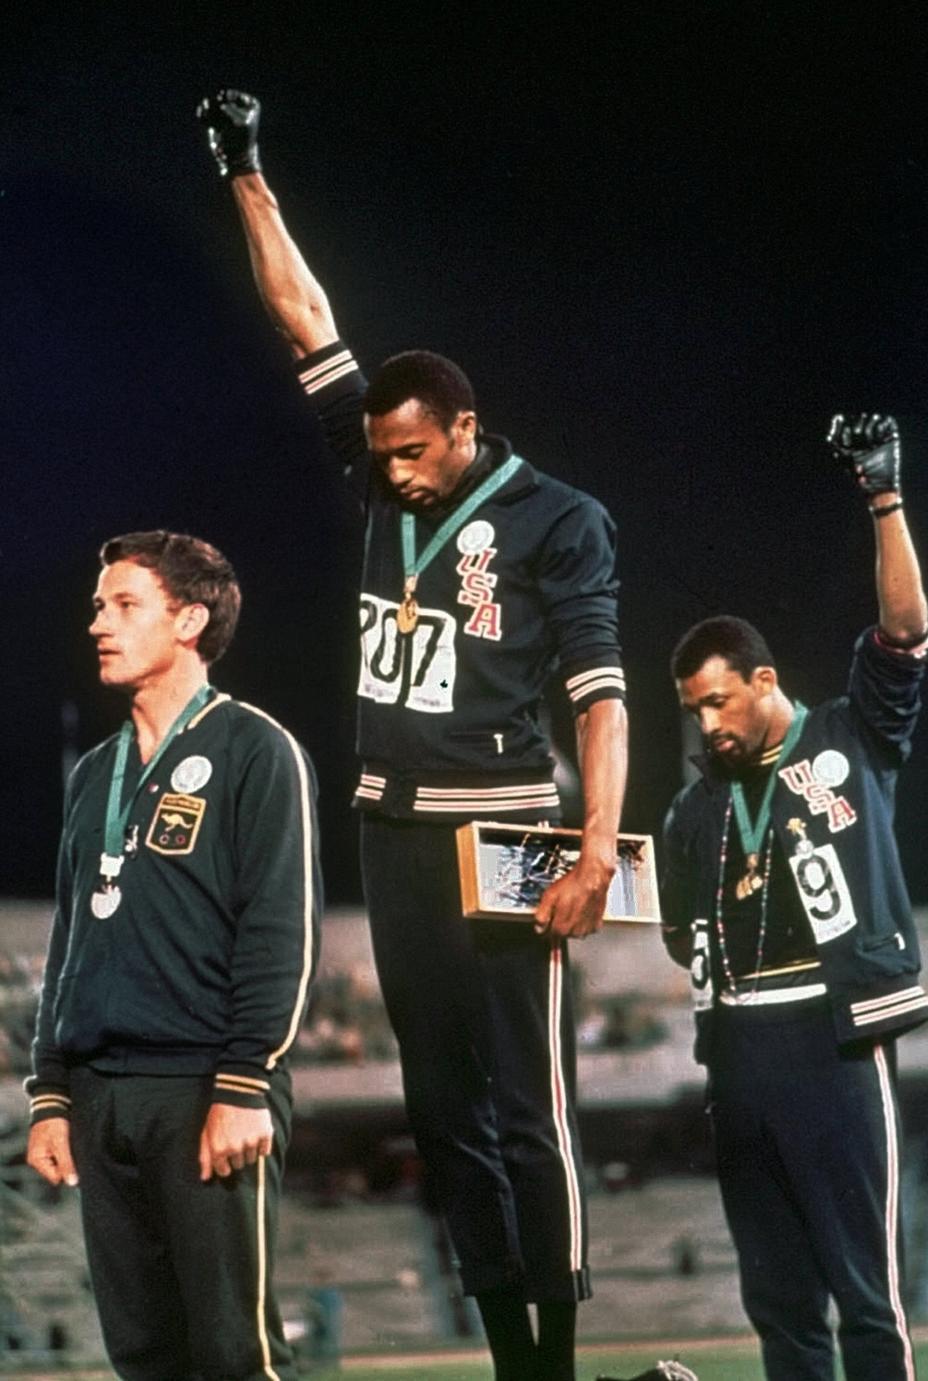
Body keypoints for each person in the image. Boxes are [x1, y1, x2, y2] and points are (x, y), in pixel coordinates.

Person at [197, 90, 629, 1381]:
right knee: (445, 1116)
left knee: (530, 1110)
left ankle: (556, 1356)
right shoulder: (382, 466)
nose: (388, 474)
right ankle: (508, 1356)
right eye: (377, 456)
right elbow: (307, 322)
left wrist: (596, 846)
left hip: (504, 833)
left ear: (464, 430)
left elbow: (602, 695)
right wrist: (247, 172)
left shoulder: (562, 520)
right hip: (392, 829)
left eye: (410, 454)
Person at [660, 415, 928, 1381]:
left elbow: (904, 634)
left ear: (764, 681)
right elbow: (672, 930)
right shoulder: (693, 809)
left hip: (832, 1037)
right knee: (778, 1305)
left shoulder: (848, 739)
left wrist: (884, 497)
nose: (706, 722)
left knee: (866, 1295)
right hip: (734, 1052)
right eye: (693, 707)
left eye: (719, 701)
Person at [25, 530, 322, 1381]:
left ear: (190, 619)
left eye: (124, 605)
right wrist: (50, 1093)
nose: (98, 624)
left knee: (237, 1354)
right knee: (145, 1357)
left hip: (204, 1090)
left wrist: (244, 1082)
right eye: (97, 606)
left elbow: (279, 932)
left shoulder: (255, 750)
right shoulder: (94, 775)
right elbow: (70, 940)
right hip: (98, 1095)